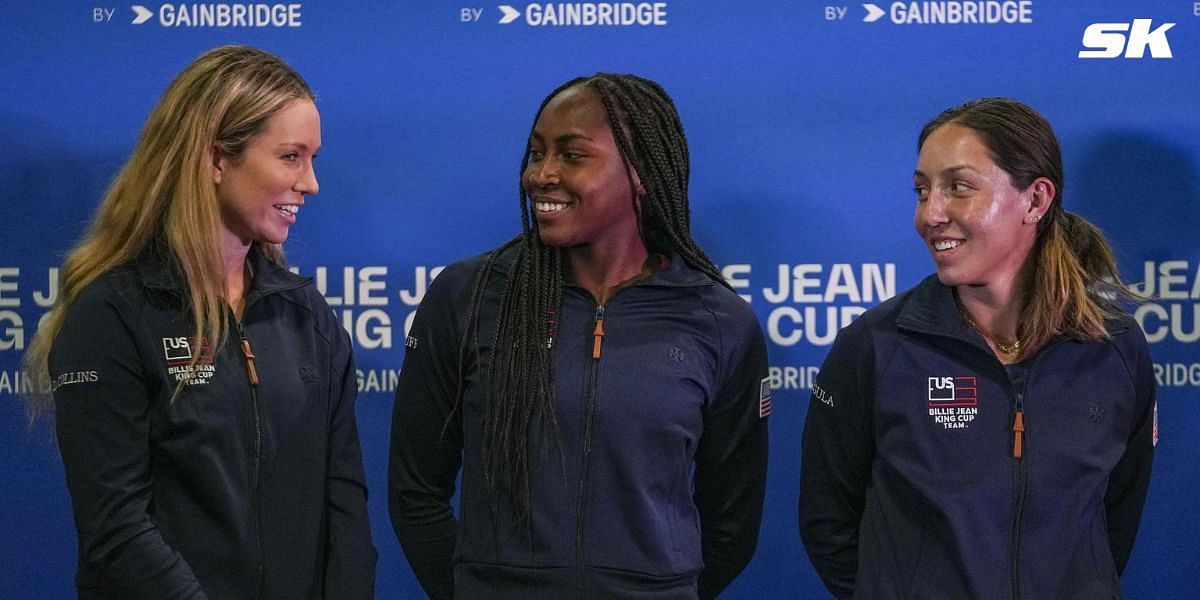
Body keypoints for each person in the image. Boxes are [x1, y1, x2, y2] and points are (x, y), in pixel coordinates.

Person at [389, 73, 769, 600]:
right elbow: (416, 492)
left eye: (572, 155)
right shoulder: (468, 296)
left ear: (641, 173)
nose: (540, 175)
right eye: (536, 153)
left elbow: (732, 521)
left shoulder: (719, 320)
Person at [22, 45, 376, 599]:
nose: (311, 184)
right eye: (290, 157)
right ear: (216, 158)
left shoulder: (308, 317)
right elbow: (117, 528)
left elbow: (345, 508)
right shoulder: (113, 313)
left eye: (313, 159)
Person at [799, 98, 1156, 599]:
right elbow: (827, 522)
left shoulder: (1114, 347)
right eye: (922, 191)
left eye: (958, 187)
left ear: (1035, 201)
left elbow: (1113, 519)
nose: (930, 214)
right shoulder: (876, 346)